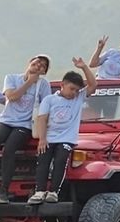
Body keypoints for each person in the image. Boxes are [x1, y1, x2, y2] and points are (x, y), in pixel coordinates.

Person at [0, 54, 51, 203]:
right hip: (6, 120)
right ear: (29, 62)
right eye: (37, 61)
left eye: (43, 65)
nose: (39, 65)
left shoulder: (44, 85)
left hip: (25, 124)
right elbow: (11, 97)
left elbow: (46, 108)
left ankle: (3, 192)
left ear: (44, 72)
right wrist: (29, 82)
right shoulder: (12, 78)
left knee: (9, 149)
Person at [28, 58, 99, 204]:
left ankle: (53, 192)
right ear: (62, 85)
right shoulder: (49, 100)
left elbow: (93, 85)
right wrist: (42, 139)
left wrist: (84, 67)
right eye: (71, 89)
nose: (74, 93)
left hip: (66, 139)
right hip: (49, 137)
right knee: (43, 160)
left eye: (76, 90)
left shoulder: (78, 98)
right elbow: (42, 119)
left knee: (61, 160)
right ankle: (39, 191)